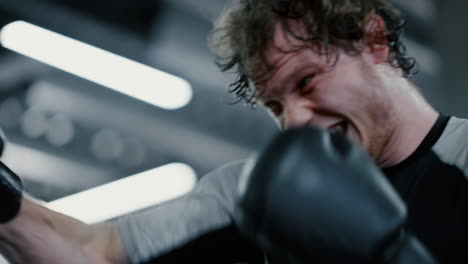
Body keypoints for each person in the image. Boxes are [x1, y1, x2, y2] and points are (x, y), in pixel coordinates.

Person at [0, 0, 466, 263]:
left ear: (374, 41)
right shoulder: (246, 196)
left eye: (306, 82)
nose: (296, 122)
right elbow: (92, 252)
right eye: (275, 105)